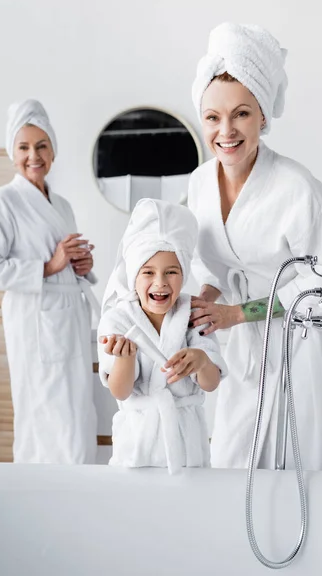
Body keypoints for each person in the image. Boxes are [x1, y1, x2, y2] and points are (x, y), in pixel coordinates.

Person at [188, 22, 322, 470]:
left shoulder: (297, 189)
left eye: (241, 113)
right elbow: (210, 267)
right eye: (212, 117)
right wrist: (204, 301)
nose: (226, 130)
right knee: (230, 463)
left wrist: (238, 313)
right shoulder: (200, 184)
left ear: (263, 115)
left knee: (299, 470)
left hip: (302, 345)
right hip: (243, 351)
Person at [0, 99, 98, 464]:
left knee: (77, 416)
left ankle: (75, 499)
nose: (33, 155)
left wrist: (82, 266)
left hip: (68, 321)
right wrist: (46, 266)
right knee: (45, 417)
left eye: (42, 145)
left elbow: (64, 263)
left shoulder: (63, 205)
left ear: (53, 151)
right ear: (13, 154)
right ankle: (44, 501)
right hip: (36, 326)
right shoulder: (2, 202)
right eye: (24, 147)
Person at [98, 198, 227, 474]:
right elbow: (119, 391)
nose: (160, 282)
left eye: (171, 272)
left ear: (184, 275)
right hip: (136, 450)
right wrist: (125, 358)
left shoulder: (193, 315)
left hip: (187, 448)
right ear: (134, 276)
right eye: (148, 272)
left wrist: (203, 361)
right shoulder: (117, 320)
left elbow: (211, 384)